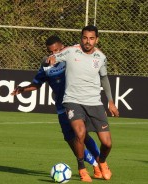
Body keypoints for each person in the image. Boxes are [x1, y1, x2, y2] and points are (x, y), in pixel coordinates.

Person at [11, 35, 109, 180]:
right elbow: (36, 84)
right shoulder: (46, 66)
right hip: (61, 108)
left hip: (78, 103)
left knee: (83, 136)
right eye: (51, 52)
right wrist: (23, 89)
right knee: (72, 139)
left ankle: (100, 163)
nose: (53, 54)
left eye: (56, 50)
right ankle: (94, 164)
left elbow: (91, 50)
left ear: (62, 47)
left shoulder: (72, 55)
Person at [46, 25, 119, 182]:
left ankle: (102, 162)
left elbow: (104, 79)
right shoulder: (71, 51)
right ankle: (81, 168)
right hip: (72, 101)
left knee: (107, 143)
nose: (88, 41)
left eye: (91, 38)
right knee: (80, 134)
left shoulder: (101, 57)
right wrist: (52, 59)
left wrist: (111, 102)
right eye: (85, 38)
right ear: (81, 38)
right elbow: (55, 56)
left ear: (96, 39)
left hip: (94, 102)